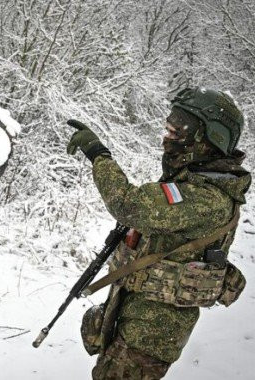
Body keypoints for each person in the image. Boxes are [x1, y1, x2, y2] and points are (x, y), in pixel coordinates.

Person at [66, 87, 251, 379]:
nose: (167, 137)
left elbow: (129, 204)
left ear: (207, 139)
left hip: (152, 332)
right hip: (137, 313)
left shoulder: (207, 197)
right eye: (169, 127)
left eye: (177, 131)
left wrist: (98, 154)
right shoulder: (195, 182)